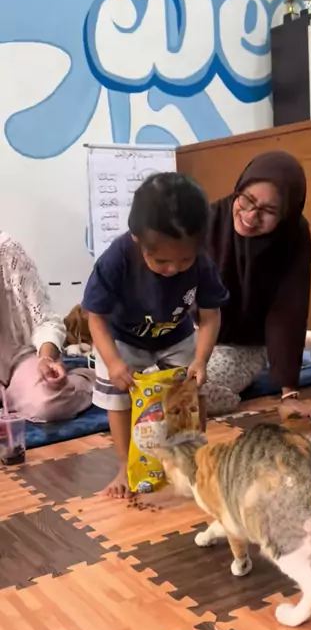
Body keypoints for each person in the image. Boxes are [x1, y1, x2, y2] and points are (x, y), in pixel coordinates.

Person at [83, 172, 228, 498]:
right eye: (161, 260)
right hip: (123, 337)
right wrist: (114, 363)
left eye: (185, 259)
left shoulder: (203, 263)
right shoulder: (117, 258)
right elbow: (96, 318)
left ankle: (194, 457)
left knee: (193, 388)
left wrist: (201, 360)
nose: (173, 268)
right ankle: (125, 465)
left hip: (176, 334)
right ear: (137, 239)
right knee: (117, 394)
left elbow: (210, 316)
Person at [203, 151, 311, 416]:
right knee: (135, 378)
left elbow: (288, 311)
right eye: (247, 200)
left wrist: (289, 394)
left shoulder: (292, 236)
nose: (251, 216)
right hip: (191, 336)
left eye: (268, 211)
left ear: (286, 214)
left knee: (182, 391)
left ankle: (225, 399)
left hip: (242, 345)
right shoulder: (209, 218)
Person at [0, 232, 93, 422]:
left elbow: (46, 321)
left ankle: (88, 380)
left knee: (48, 403)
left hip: (17, 360)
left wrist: (46, 358)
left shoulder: (7, 251)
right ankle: (14, 400)